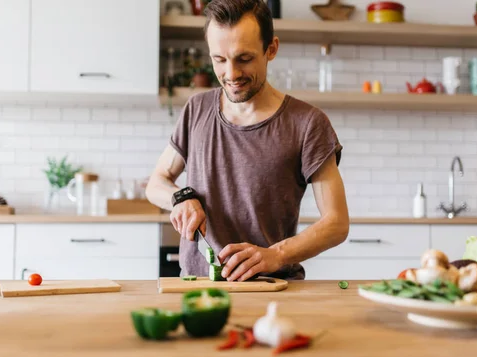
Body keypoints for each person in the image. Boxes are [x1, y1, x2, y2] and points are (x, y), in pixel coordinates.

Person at [146, 0, 349, 281]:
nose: (231, 74)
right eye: (219, 59)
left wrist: (275, 255)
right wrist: (180, 199)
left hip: (273, 288)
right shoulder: (196, 110)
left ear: (271, 49)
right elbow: (157, 182)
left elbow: (336, 223)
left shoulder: (308, 123)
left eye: (244, 59)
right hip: (197, 286)